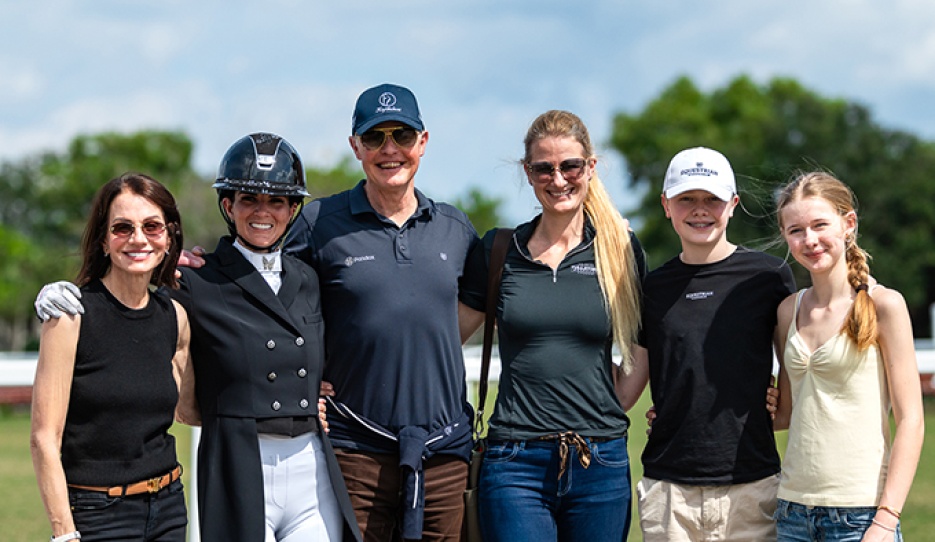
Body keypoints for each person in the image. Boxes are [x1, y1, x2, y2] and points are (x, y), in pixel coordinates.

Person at [34, 133, 361, 542]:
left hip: (309, 464)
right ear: (228, 205)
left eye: (277, 200)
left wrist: (318, 391)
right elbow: (131, 279)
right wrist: (57, 292)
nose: (263, 212)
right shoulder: (195, 279)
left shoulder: (308, 279)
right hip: (239, 462)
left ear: (293, 208)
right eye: (249, 199)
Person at [282, 84, 479, 541]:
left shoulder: (456, 228)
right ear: (355, 146)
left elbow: (485, 302)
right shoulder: (318, 224)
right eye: (375, 138)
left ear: (423, 143)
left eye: (402, 136)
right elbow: (266, 299)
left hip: (444, 454)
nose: (390, 149)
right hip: (355, 450)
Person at [457, 110, 647, 541]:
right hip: (513, 463)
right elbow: (447, 338)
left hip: (600, 461)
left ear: (590, 168)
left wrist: (610, 408)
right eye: (544, 168)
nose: (558, 180)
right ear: (528, 172)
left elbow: (642, 345)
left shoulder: (620, 249)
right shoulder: (499, 250)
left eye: (570, 166)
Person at [634, 147, 796, 541]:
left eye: (712, 199)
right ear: (666, 205)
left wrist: (782, 407)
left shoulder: (769, 277)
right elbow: (631, 380)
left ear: (733, 204)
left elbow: (795, 366)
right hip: (669, 491)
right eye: (686, 198)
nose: (700, 210)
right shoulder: (651, 287)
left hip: (752, 484)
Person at [30, 173, 194, 542]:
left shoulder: (175, 317)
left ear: (169, 237)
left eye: (152, 226)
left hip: (168, 507)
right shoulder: (70, 315)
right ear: (104, 241)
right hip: (97, 515)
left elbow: (191, 410)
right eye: (122, 227)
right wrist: (64, 533)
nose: (138, 238)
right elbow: (43, 438)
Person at [773, 171, 924, 541]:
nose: (810, 240)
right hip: (791, 512)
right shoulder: (786, 311)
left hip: (861, 515)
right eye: (796, 230)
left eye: (820, 225)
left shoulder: (884, 305)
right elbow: (786, 415)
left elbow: (911, 420)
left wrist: (886, 520)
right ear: (785, 237)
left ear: (848, 224)